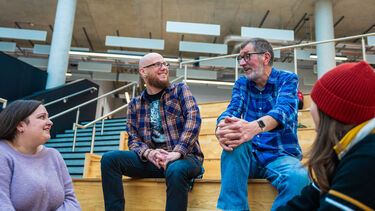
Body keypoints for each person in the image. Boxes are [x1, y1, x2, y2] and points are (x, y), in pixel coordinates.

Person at [100, 52, 204, 211]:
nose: (164, 68)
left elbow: (193, 119)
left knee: (175, 168)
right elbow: (133, 140)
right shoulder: (135, 104)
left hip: (185, 158)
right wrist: (149, 153)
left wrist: (177, 152)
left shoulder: (180, 90)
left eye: (165, 64)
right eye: (157, 65)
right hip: (154, 162)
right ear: (143, 72)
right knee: (109, 159)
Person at [216, 38, 310, 211]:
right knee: (233, 143)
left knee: (299, 179)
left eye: (247, 57)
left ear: (265, 57)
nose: (242, 63)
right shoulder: (242, 84)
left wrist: (254, 128)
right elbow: (232, 109)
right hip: (250, 156)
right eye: (240, 58)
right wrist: (221, 126)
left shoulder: (287, 79)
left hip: (280, 155)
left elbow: (285, 110)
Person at [278, 61, 375, 210]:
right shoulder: (345, 152)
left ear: (330, 112)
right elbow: (305, 203)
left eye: (315, 102)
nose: (310, 109)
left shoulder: (366, 162)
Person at [0, 100, 81, 211]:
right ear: (20, 125)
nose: (50, 122)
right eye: (42, 117)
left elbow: (72, 202)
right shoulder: (3, 153)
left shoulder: (54, 155)